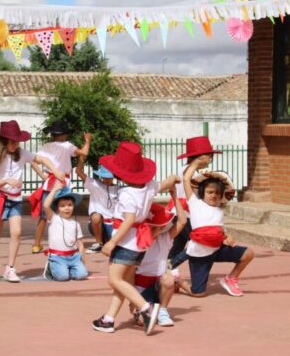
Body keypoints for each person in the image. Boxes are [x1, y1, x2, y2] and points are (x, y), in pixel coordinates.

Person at [91, 141, 179, 335]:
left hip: (125, 242)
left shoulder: (127, 194)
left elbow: (129, 220)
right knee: (124, 284)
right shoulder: (148, 187)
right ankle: (108, 319)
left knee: (114, 280)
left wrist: (112, 242)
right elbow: (164, 184)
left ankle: (145, 307)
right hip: (139, 245)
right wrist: (174, 179)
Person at [0, 120, 65, 283]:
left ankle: (10, 268)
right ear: (3, 141)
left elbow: (42, 160)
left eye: (18, 140)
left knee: (16, 233)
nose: (16, 144)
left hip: (15, 200)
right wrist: (7, 181)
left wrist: (55, 171)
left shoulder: (22, 153)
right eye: (13, 141)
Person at [177, 163, 254, 297]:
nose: (213, 196)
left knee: (248, 254)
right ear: (202, 192)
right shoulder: (195, 203)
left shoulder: (219, 209)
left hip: (217, 249)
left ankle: (231, 278)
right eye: (210, 192)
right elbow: (186, 180)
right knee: (198, 293)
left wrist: (227, 236)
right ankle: (178, 282)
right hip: (199, 254)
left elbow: (217, 229)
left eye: (217, 193)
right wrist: (196, 162)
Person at [28, 120, 87, 254]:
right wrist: (87, 141)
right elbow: (83, 153)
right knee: (66, 212)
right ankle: (67, 243)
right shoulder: (68, 146)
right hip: (63, 181)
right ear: (64, 134)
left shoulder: (46, 146)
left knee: (44, 215)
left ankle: (36, 244)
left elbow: (33, 160)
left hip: (49, 181)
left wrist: (42, 175)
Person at [168, 136, 221, 269]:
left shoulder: (189, 169)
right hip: (185, 213)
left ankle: (166, 269)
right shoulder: (188, 170)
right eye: (208, 155)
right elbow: (189, 184)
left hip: (182, 213)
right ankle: (168, 267)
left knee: (178, 246)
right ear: (200, 156)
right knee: (199, 242)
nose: (210, 159)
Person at [134, 196, 186, 328]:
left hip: (159, 284)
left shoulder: (164, 239)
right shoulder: (134, 241)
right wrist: (131, 299)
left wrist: (175, 197)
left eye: (159, 227)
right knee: (141, 321)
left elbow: (182, 222)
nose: (156, 231)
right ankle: (147, 309)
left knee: (169, 278)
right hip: (140, 288)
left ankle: (163, 311)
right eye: (152, 227)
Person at [74, 133, 118, 254]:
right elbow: (78, 171)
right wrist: (82, 157)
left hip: (115, 224)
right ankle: (99, 243)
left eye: (109, 177)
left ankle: (112, 242)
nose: (107, 179)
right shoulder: (95, 184)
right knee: (96, 216)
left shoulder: (120, 189)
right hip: (98, 223)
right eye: (105, 177)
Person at [42, 181, 88, 281]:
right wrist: (54, 189)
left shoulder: (76, 224)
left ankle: (70, 268)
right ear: (57, 209)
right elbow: (46, 205)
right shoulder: (54, 218)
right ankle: (50, 267)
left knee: (82, 275)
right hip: (57, 257)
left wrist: (82, 261)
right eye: (62, 206)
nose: (67, 208)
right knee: (62, 277)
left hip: (74, 257)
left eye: (70, 205)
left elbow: (80, 245)